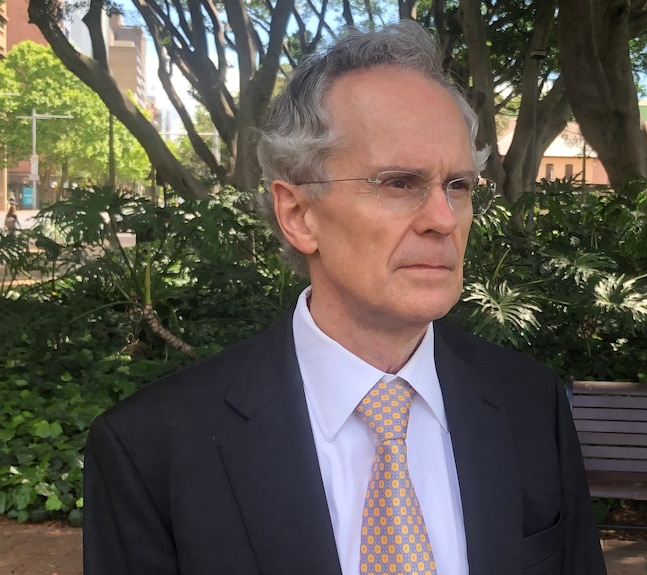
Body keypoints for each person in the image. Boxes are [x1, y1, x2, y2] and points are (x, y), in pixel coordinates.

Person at [83, 20, 607, 575]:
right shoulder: (153, 448)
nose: (442, 218)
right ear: (298, 214)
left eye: (458, 185)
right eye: (399, 183)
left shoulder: (530, 404)